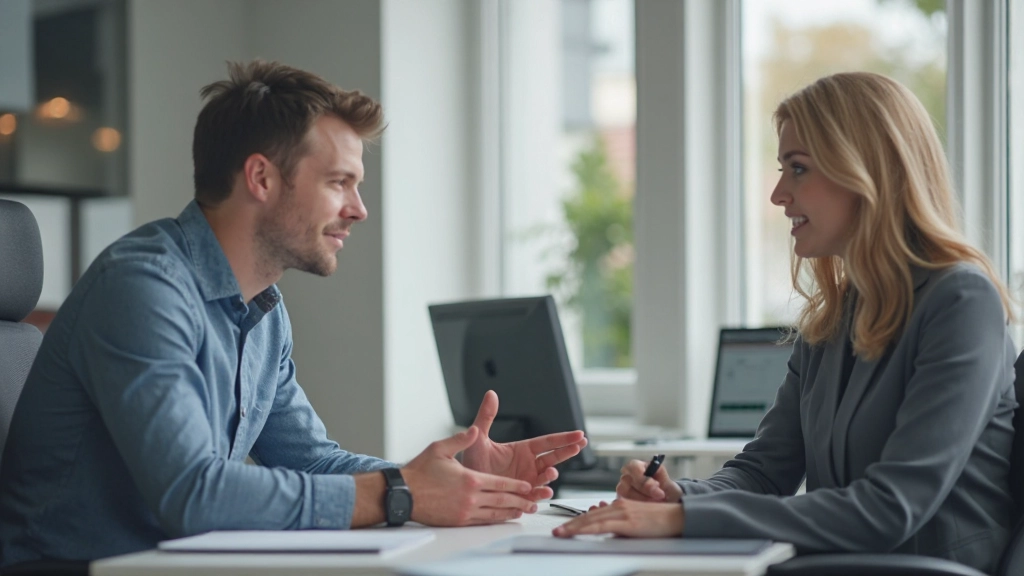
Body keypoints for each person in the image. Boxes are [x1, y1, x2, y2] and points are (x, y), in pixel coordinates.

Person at [0, 60, 587, 566]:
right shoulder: (143, 288)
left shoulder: (262, 310)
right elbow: (193, 496)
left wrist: (447, 479)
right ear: (261, 177)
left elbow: (310, 459)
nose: (359, 210)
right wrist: (401, 492)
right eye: (340, 182)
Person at [553, 72, 1017, 574]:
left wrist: (686, 520)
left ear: (866, 172)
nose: (778, 194)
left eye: (798, 169)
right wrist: (674, 496)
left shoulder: (961, 302)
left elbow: (889, 508)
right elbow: (762, 470)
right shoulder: (833, 318)